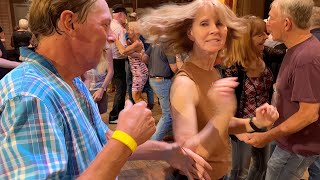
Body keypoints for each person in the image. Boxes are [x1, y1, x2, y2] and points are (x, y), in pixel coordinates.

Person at [0, 0, 214, 179]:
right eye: (104, 25)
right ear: (69, 22)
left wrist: (168, 152)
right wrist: (126, 139)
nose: (111, 37)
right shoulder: (29, 96)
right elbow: (117, 144)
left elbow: (103, 141)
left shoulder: (71, 82)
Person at [139, 0, 279, 179]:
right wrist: (222, 113)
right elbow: (190, 153)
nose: (215, 29)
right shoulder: (185, 83)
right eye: (204, 23)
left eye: (219, 23)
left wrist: (254, 122)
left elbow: (219, 124)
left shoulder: (212, 72)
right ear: (190, 32)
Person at [243, 0, 320, 180]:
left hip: (296, 146)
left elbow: (308, 114)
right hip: (289, 143)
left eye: (271, 17)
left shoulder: (306, 58)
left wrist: (267, 136)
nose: (267, 22)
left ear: (286, 23)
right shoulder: (297, 49)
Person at [224, 16, 273, 180]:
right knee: (240, 172)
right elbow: (226, 105)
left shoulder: (265, 55)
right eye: (260, 34)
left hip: (263, 122)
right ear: (246, 39)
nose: (266, 37)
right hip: (242, 125)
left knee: (262, 166)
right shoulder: (234, 66)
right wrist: (237, 132)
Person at [141, 43, 177, 141]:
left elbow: (144, 58)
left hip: (153, 79)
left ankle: (169, 134)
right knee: (168, 115)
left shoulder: (156, 41)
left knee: (169, 109)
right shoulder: (169, 45)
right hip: (162, 81)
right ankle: (153, 142)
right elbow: (174, 68)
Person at [115, 21, 148, 103]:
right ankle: (143, 113)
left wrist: (115, 39)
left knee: (136, 97)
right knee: (137, 96)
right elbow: (125, 47)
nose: (127, 32)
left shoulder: (137, 43)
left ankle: (146, 114)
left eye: (130, 30)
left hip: (140, 72)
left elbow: (123, 51)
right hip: (137, 72)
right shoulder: (132, 42)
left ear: (135, 33)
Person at [109, 4, 128, 124]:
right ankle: (115, 115)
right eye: (125, 16)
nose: (125, 19)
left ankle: (116, 114)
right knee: (121, 88)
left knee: (118, 86)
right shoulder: (118, 29)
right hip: (118, 60)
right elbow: (123, 49)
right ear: (121, 14)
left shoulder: (110, 25)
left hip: (110, 59)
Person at [82, 45, 114, 114]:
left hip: (99, 89)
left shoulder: (106, 50)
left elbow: (110, 71)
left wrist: (102, 89)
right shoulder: (84, 48)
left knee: (98, 117)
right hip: (85, 89)